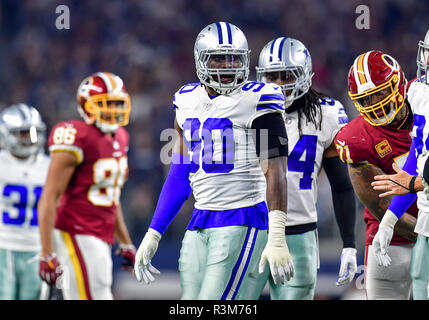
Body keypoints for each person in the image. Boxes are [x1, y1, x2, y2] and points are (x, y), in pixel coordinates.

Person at [134, 21, 294, 300]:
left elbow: (276, 171)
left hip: (243, 216)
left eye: (234, 58)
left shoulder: (259, 99)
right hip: (200, 219)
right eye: (218, 58)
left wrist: (278, 233)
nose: (227, 65)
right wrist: (154, 232)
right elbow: (180, 174)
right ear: (200, 60)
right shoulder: (185, 100)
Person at [255, 37, 356, 300]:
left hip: (300, 231)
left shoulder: (326, 114)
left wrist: (349, 244)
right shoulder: (247, 108)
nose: (278, 84)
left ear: (305, 75)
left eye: (287, 76)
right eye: (272, 76)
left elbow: (342, 184)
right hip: (250, 230)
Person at [37, 72, 136, 300]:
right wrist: (46, 251)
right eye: (106, 104)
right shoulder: (76, 136)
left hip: (100, 233)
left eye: (117, 103)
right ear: (86, 105)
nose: (113, 110)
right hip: (75, 229)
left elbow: (111, 197)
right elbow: (50, 196)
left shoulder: (121, 137)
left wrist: (126, 242)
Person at [334, 50, 418, 300]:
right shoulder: (356, 138)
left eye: (379, 93)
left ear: (398, 83)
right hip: (390, 239)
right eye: (366, 99)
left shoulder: (423, 97)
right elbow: (381, 204)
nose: (375, 104)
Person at [370, 29, 429, 300]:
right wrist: (389, 221)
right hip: (427, 218)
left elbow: (415, 179)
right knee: (420, 278)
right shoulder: (417, 90)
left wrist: (415, 183)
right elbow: (418, 156)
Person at [0, 104, 49, 300]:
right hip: (3, 245)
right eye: (22, 133)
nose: (29, 139)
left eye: (34, 133)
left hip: (37, 248)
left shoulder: (49, 165)